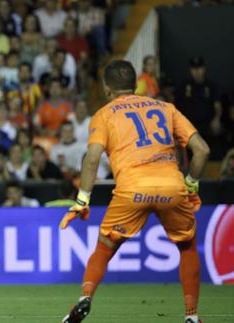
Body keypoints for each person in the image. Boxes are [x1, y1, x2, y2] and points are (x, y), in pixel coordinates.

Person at [60, 60, 209, 323]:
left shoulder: (104, 114)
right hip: (171, 186)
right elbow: (202, 150)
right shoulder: (166, 108)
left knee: (104, 249)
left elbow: (92, 159)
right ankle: (191, 316)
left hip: (132, 189)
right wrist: (191, 185)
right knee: (186, 248)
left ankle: (85, 298)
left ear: (107, 89)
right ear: (135, 84)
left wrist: (82, 200)